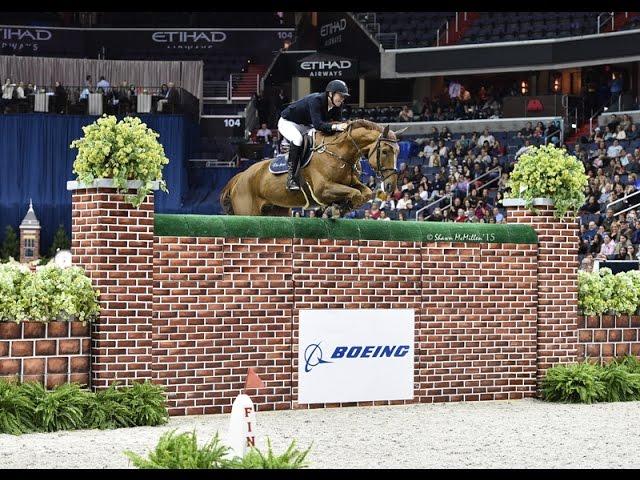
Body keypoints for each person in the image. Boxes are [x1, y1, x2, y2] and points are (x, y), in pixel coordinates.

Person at [277, 79, 349, 191]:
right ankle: (291, 178)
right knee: (297, 139)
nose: (342, 99)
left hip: (305, 124)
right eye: (340, 95)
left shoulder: (338, 105)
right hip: (288, 122)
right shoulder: (316, 100)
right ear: (331, 93)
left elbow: (337, 122)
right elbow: (318, 125)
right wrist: (336, 127)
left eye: (344, 96)